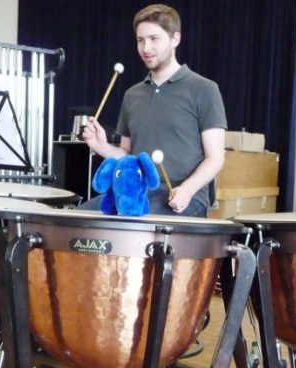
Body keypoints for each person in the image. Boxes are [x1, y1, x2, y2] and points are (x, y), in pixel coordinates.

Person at [82, 3, 227, 217]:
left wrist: (186, 190)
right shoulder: (132, 95)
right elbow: (127, 154)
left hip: (182, 198)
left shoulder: (204, 89)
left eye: (154, 39)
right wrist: (101, 147)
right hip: (137, 192)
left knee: (134, 223)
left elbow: (215, 158)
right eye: (140, 40)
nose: (146, 48)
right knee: (81, 217)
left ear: (175, 39)